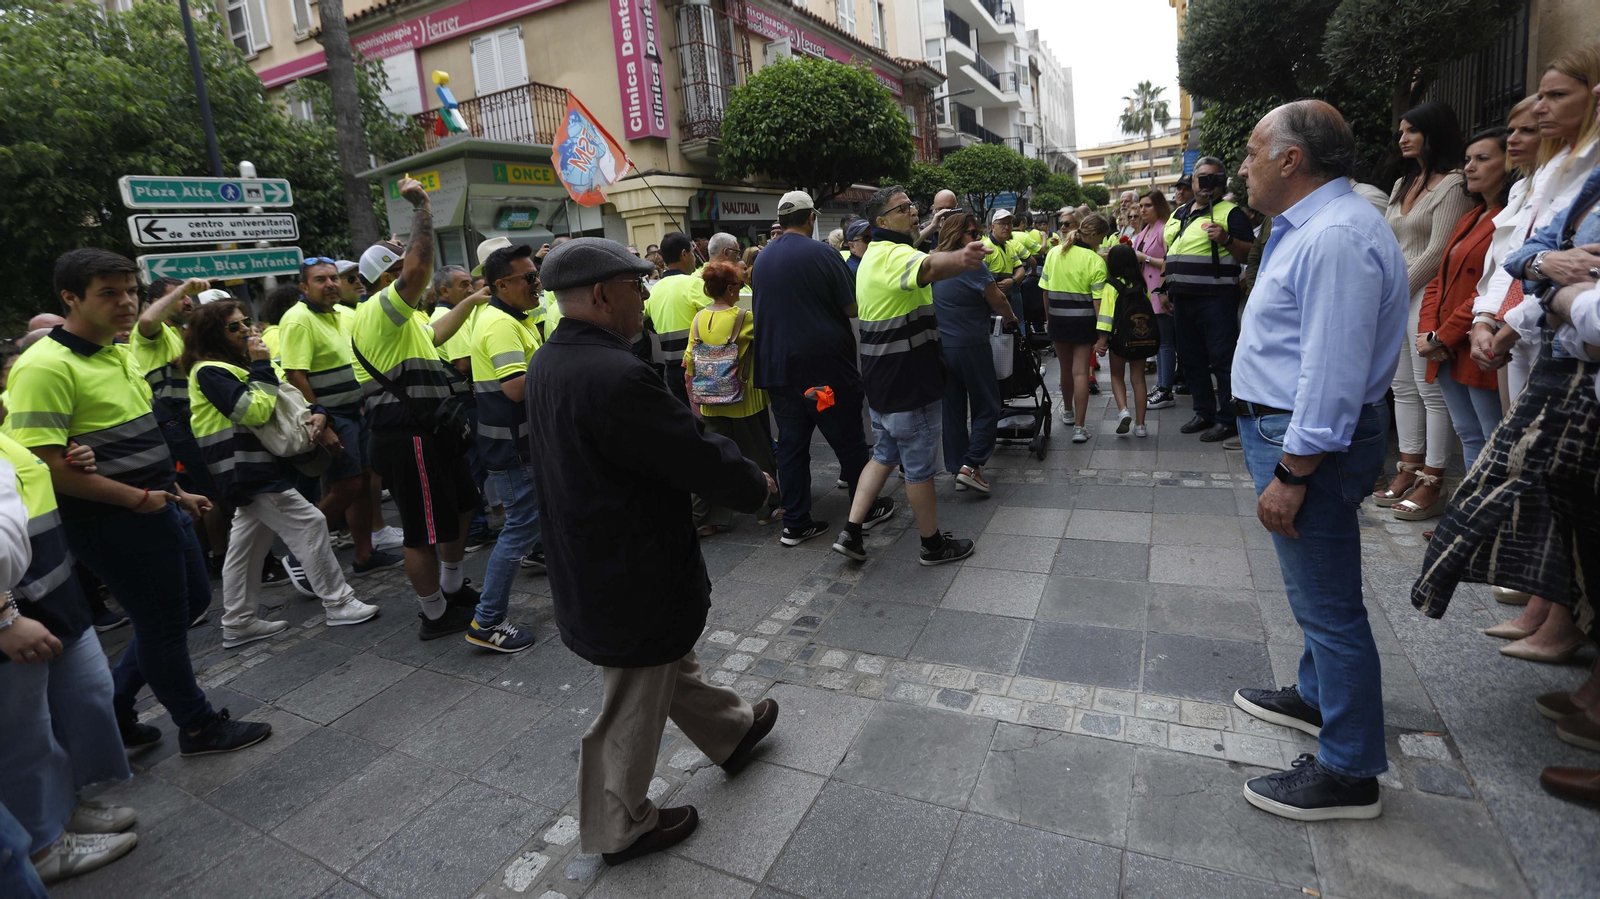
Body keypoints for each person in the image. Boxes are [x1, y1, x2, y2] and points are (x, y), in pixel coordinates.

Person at [525, 237, 780, 865]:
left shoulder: (551, 359)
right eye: (634, 288)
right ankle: (620, 826)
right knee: (633, 692)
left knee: (666, 659)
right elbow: (688, 449)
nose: (643, 298)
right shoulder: (614, 373)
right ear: (601, 295)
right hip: (627, 559)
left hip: (595, 549)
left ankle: (731, 730)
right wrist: (754, 483)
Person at [5, 248, 271, 755]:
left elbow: (136, 437)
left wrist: (175, 492)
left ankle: (116, 706)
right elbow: (47, 467)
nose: (126, 302)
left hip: (157, 503)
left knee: (190, 604)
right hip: (113, 519)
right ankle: (197, 726)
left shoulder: (117, 351)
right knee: (163, 623)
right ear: (70, 298)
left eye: (130, 290)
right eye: (109, 293)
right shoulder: (44, 366)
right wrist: (139, 498)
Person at [1230, 99, 1408, 821]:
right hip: (1290, 433)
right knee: (1316, 593)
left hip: (1305, 445)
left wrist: (1293, 473)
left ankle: (1349, 769)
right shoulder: (1309, 226)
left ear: (1291, 159)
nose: (1243, 165)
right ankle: (1316, 698)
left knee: (1330, 607)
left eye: (1252, 151)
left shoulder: (1334, 235)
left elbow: (1331, 373)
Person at [1416, 77, 1600, 738]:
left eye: (1554, 98)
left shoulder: (1572, 174)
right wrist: (1532, 286)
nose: (1535, 120)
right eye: (1520, 120)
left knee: (1541, 481)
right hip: (1529, 334)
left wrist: (1544, 293)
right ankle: (1547, 611)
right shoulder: (1552, 180)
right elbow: (1521, 257)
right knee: (1542, 485)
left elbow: (1537, 268)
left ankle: (1555, 616)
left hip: (1559, 346)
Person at [185, 300, 381, 648]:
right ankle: (338, 602)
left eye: (246, 321)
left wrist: (318, 411)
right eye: (234, 326)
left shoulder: (239, 365)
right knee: (310, 522)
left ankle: (239, 621)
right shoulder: (210, 371)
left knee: (246, 546)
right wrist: (261, 366)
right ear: (213, 334)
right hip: (245, 468)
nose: (245, 329)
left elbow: (288, 395)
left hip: (254, 467)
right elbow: (254, 411)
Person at [0, 400, 138, 887]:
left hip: (52, 597)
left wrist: (74, 461)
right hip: (15, 612)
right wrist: (3, 617)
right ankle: (42, 842)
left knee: (82, 702)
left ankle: (64, 807)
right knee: (23, 736)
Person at [350, 177, 488, 641]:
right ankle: (434, 613)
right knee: (422, 530)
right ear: (387, 276)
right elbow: (419, 266)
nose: (414, 266)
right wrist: (422, 209)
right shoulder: (379, 310)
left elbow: (436, 333)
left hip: (429, 433)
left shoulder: (403, 321)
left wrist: (471, 301)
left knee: (463, 505)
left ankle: (450, 586)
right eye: (402, 259)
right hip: (406, 436)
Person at [831, 185, 985, 565]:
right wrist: (961, 257)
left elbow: (914, 252)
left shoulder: (873, 253)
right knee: (918, 469)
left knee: (883, 454)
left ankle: (851, 531)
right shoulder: (896, 256)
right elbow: (928, 266)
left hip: (881, 379)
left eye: (911, 205)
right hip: (909, 379)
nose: (912, 211)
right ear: (882, 221)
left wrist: (929, 229)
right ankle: (932, 545)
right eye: (902, 209)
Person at [751, 190, 885, 546]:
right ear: (811, 218)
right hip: (824, 371)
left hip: (779, 370)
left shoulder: (762, 258)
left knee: (791, 447)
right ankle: (866, 508)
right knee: (849, 440)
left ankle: (795, 522)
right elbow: (851, 307)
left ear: (781, 220)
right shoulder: (823, 253)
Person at [1472, 49, 1600, 406]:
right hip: (1531, 325)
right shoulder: (1551, 169)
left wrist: (1520, 319)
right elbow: (1519, 254)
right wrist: (1485, 318)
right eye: (1541, 96)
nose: (1541, 108)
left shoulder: (1587, 167)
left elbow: (1576, 272)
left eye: (1556, 95)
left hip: (1549, 332)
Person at [1374, 101, 1472, 522]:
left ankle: (1434, 479)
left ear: (1435, 132)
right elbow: (1389, 243)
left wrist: (1394, 293)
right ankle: (1408, 469)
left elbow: (1437, 253)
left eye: (1411, 130)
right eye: (1401, 131)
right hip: (1397, 294)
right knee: (1402, 386)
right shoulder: (1402, 183)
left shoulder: (1454, 185)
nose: (1402, 138)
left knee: (1429, 389)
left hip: (1426, 296)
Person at [282, 259, 403, 575]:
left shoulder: (337, 314)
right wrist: (319, 420)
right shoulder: (298, 318)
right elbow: (295, 376)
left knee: (361, 482)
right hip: (330, 417)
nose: (331, 284)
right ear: (304, 287)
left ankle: (364, 555)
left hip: (353, 412)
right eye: (320, 280)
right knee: (345, 486)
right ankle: (299, 552)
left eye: (334, 278)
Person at [463, 243, 545, 654]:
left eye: (536, 274)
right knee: (519, 530)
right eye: (528, 277)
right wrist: (561, 368)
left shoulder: (514, 318)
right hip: (514, 449)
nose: (537, 282)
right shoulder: (499, 323)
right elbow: (515, 387)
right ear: (502, 285)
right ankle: (488, 620)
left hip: (522, 446)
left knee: (538, 522)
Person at [1415, 128, 1512, 473]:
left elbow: (1489, 289)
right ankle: (1470, 505)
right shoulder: (1471, 216)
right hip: (1448, 346)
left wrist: (1442, 336)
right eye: (1468, 159)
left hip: (1476, 341)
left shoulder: (1509, 219)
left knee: (1492, 438)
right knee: (1469, 434)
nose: (1469, 167)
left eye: (1482, 159)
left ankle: (1484, 508)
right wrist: (1428, 332)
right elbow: (1438, 280)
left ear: (1510, 163)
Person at [684, 261, 780, 532]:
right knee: (759, 454)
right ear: (729, 289)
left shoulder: (698, 318)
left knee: (714, 459)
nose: (741, 288)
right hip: (745, 400)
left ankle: (705, 518)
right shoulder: (743, 318)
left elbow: (689, 359)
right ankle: (766, 509)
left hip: (710, 400)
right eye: (739, 284)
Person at [1164, 156, 1254, 442]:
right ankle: (1203, 411)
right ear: (1193, 181)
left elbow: (1251, 254)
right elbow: (1172, 251)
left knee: (1222, 359)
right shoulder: (1180, 212)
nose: (1207, 184)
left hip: (1216, 299)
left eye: (1214, 178)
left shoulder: (1231, 213)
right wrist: (1166, 290)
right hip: (1182, 298)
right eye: (1202, 178)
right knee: (1191, 359)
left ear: (1223, 182)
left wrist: (1227, 239)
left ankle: (1228, 419)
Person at [933, 211, 1016, 494]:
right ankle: (971, 465)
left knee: (953, 409)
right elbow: (998, 299)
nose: (978, 239)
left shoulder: (934, 262)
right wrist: (1010, 317)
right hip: (971, 344)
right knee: (988, 404)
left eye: (979, 233)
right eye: (972, 234)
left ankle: (959, 467)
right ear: (957, 235)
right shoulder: (973, 265)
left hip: (944, 345)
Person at [1041, 212, 1116, 442]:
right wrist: (1103, 335)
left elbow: (1045, 292)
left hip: (1058, 320)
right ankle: (1080, 428)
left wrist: (1049, 319)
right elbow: (1098, 303)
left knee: (1065, 370)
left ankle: (1067, 412)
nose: (1102, 242)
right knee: (1081, 372)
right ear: (1092, 234)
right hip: (1083, 323)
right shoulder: (1095, 261)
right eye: (1101, 237)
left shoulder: (1054, 253)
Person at [642, 233, 708, 408]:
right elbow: (716, 320)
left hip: (671, 370)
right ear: (684, 254)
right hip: (700, 369)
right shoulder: (694, 284)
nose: (694, 257)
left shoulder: (653, 291)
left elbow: (643, 320)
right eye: (693, 252)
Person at [1099, 244, 1156, 437]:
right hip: (1139, 337)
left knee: (1117, 376)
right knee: (1138, 379)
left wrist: (1102, 340)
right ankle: (1140, 425)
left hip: (1119, 339)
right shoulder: (1141, 285)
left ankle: (1123, 411)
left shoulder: (1111, 286)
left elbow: (1106, 316)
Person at [1131, 189, 1176, 409]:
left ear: (1158, 206)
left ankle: (1166, 389)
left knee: (1165, 343)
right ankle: (1161, 384)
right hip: (1147, 293)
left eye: (1147, 205)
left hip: (1160, 290)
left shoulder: (1164, 228)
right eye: (1141, 206)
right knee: (1158, 342)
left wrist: (1145, 258)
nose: (1142, 210)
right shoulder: (1144, 231)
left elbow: (1169, 260)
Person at [982, 210, 1025, 319]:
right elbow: (979, 277)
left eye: (1009, 224)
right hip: (990, 305)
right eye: (1002, 224)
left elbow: (1021, 270)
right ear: (992, 227)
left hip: (1007, 300)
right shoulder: (986, 247)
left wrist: (1013, 281)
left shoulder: (1009, 246)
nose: (1006, 227)